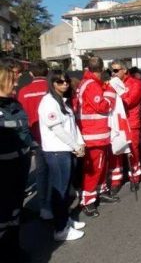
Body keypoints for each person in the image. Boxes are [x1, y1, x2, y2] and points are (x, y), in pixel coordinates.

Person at [38, 70, 86, 241]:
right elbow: (57, 129)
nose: (65, 84)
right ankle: (61, 229)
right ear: (52, 83)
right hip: (57, 151)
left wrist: (79, 143)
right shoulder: (48, 102)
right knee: (60, 190)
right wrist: (75, 145)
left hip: (67, 150)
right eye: (60, 82)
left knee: (65, 190)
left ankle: (65, 221)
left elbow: (72, 126)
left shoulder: (62, 102)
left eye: (66, 81)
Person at [75, 57, 118, 217]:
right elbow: (102, 106)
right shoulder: (92, 84)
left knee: (101, 166)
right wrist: (110, 94)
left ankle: (100, 191)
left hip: (96, 133)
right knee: (94, 169)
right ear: (100, 69)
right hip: (94, 134)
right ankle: (88, 201)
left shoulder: (86, 82)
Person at [0, 62, 34, 262]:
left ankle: (14, 250)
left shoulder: (16, 105)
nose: (16, 85)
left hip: (19, 168)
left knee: (14, 214)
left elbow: (25, 132)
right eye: (12, 82)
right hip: (2, 171)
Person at [17, 60, 51, 220]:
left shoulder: (23, 92)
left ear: (30, 74)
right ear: (47, 72)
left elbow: (21, 118)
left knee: (42, 172)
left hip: (36, 138)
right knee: (58, 171)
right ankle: (60, 202)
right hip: (56, 138)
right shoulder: (53, 88)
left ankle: (45, 207)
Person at [110, 60, 141, 192]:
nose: (113, 73)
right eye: (111, 71)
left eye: (116, 70)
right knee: (116, 152)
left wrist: (118, 88)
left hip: (131, 122)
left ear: (124, 70)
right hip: (116, 123)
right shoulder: (111, 84)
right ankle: (116, 180)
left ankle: (135, 177)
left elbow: (129, 102)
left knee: (132, 152)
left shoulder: (136, 83)